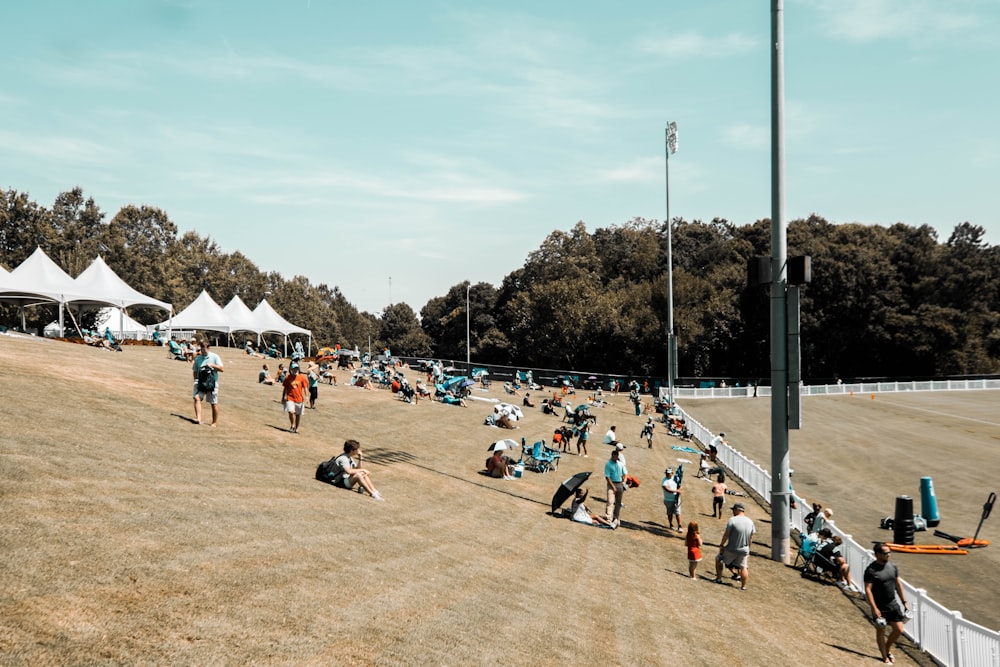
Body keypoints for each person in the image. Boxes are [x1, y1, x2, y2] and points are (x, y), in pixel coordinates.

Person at [865, 543, 909, 664]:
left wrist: (904, 602)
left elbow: (898, 584)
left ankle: (887, 648)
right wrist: (874, 608)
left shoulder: (893, 567)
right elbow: (868, 590)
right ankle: (884, 656)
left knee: (899, 629)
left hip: (892, 604)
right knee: (881, 630)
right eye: (885, 553)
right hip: (879, 606)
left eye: (889, 552)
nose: (888, 555)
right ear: (878, 554)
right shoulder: (871, 570)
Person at [714, 502, 755, 590]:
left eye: (733, 510)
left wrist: (721, 544)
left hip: (732, 548)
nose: (733, 512)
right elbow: (751, 538)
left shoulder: (732, 520)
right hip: (744, 549)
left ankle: (718, 578)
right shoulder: (750, 522)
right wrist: (748, 549)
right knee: (743, 567)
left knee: (719, 559)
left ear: (737, 510)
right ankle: (743, 586)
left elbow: (726, 534)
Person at [191, 341, 224, 427]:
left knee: (213, 403)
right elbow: (195, 371)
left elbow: (222, 368)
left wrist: (212, 365)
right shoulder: (198, 358)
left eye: (204, 350)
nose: (203, 352)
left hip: (212, 383)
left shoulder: (215, 356)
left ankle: (214, 422)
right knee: (197, 398)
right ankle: (198, 418)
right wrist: (196, 380)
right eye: (201, 350)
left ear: (208, 349)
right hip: (201, 382)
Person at [281, 363, 310, 433]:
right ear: (291, 369)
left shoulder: (302, 377)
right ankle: (292, 425)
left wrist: (307, 396)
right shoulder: (288, 378)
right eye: (294, 369)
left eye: (297, 368)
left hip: (299, 399)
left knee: (297, 414)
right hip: (290, 397)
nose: (295, 370)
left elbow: (305, 388)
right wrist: (283, 397)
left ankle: (296, 428)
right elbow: (285, 388)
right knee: (291, 411)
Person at [604, 448, 626, 529]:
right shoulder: (608, 464)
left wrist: (624, 480)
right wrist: (613, 486)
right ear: (612, 456)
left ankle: (616, 517)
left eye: (616, 457)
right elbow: (607, 477)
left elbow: (625, 473)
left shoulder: (620, 464)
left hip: (619, 484)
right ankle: (608, 518)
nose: (615, 458)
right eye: (614, 456)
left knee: (618, 503)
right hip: (611, 484)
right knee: (610, 501)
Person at [661, 467, 683, 531]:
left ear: (672, 473)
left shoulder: (676, 478)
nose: (667, 475)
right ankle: (671, 524)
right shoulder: (664, 480)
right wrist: (676, 491)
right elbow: (666, 489)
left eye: (669, 473)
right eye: (667, 473)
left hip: (676, 499)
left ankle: (680, 526)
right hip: (668, 500)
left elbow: (681, 485)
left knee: (678, 513)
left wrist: (680, 489)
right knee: (669, 513)